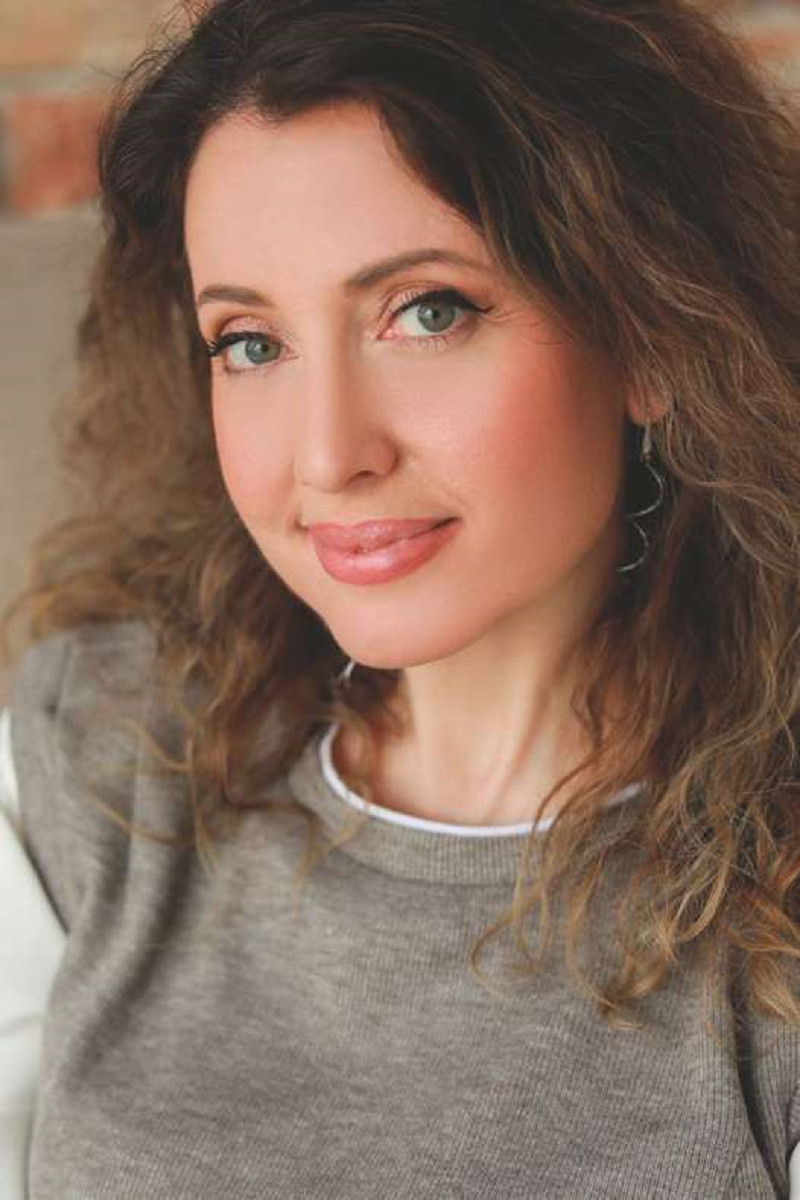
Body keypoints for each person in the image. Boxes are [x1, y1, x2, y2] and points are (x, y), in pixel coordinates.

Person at [1, 0, 798, 1195]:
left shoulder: (769, 925)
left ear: (645, 331)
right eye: (250, 342)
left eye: (426, 312)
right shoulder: (99, 748)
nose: (328, 457)